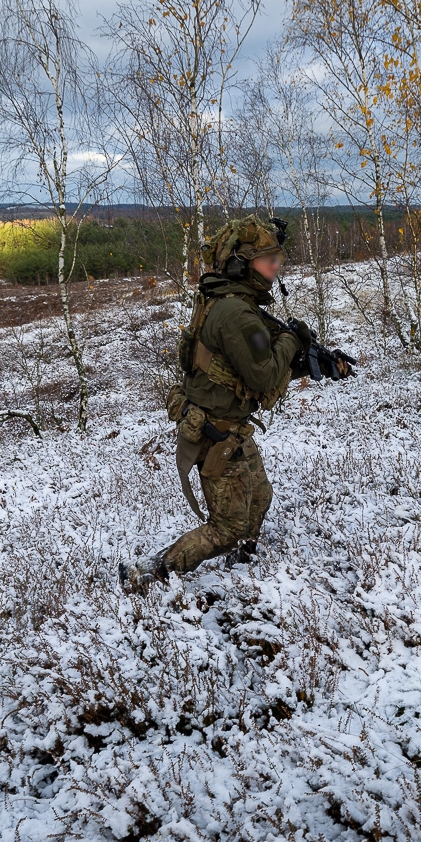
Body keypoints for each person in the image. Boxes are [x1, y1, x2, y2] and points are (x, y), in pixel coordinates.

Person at [120, 215, 348, 589]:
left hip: (231, 427)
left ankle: (243, 562)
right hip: (215, 433)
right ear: (243, 264)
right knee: (227, 527)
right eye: (268, 259)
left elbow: (251, 367)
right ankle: (148, 571)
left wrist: (314, 361)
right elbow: (264, 377)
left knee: (260, 498)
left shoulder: (230, 299)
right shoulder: (236, 313)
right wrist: (292, 340)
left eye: (278, 258)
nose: (276, 266)